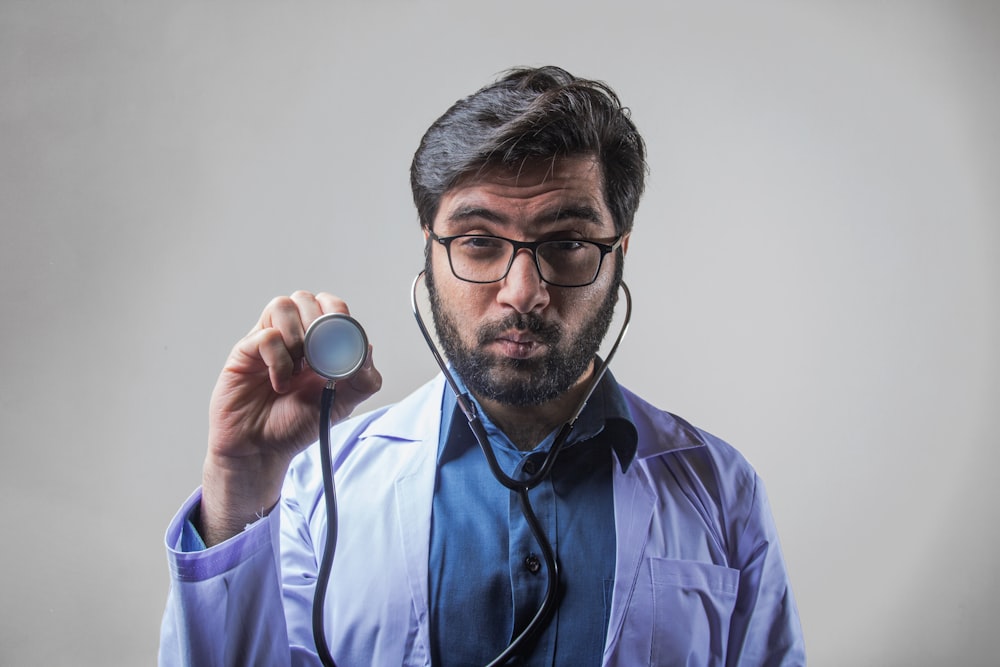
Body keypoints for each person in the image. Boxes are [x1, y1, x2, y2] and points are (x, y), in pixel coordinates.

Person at [159, 65, 806, 666]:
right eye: (477, 241)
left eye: (569, 242)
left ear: (619, 252)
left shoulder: (720, 491)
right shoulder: (315, 488)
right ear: (429, 253)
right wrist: (240, 480)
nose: (522, 291)